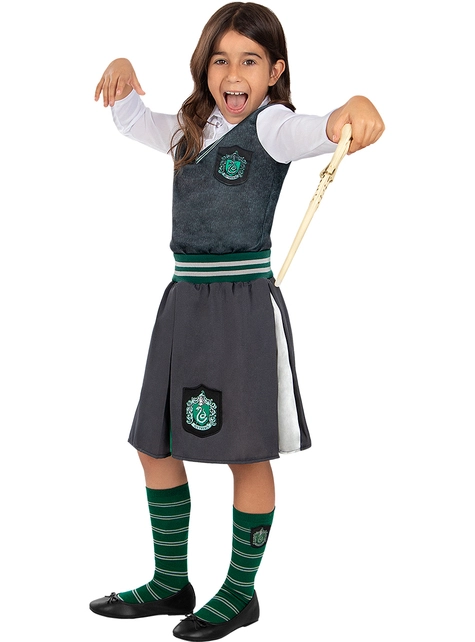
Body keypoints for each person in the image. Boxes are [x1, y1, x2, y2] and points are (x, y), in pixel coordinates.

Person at [90, 2, 384, 640]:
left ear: (274, 72)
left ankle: (241, 593)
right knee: (154, 443)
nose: (233, 73)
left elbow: (329, 127)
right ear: (204, 67)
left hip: (241, 306)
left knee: (244, 454)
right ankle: (171, 581)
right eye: (220, 59)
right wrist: (122, 67)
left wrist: (356, 105)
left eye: (250, 61)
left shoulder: (274, 126)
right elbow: (131, 118)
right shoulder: (189, 129)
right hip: (183, 302)